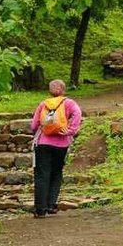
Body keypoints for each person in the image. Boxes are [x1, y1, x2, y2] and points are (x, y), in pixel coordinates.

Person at [29, 79, 82, 218]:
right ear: (63, 90)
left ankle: (40, 209)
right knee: (56, 172)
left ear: (49, 91)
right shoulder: (69, 103)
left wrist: (38, 132)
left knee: (41, 175)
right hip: (62, 144)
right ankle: (51, 205)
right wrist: (71, 130)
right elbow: (77, 114)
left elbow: (34, 125)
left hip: (43, 143)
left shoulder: (43, 104)